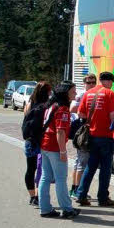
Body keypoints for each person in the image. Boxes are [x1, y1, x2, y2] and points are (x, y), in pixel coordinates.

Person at [75, 71, 114, 207]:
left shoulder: (88, 93)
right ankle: (103, 198)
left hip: (92, 136)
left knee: (90, 166)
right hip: (106, 136)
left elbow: (80, 113)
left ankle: (81, 194)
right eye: (111, 82)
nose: (112, 85)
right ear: (107, 81)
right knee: (106, 169)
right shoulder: (110, 94)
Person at [38, 82, 80, 219]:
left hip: (45, 144)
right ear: (66, 92)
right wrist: (63, 151)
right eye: (73, 91)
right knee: (61, 178)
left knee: (45, 177)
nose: (75, 93)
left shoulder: (51, 105)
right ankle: (67, 209)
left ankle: (44, 208)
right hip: (55, 147)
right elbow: (60, 132)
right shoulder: (62, 109)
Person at [23, 81, 51, 206]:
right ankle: (39, 195)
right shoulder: (46, 106)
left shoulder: (29, 104)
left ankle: (32, 196)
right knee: (42, 169)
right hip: (41, 140)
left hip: (29, 140)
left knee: (30, 169)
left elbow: (26, 120)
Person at [69, 74, 97, 197]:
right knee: (82, 162)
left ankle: (74, 188)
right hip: (83, 132)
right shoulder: (82, 95)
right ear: (84, 83)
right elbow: (73, 108)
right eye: (88, 82)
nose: (91, 84)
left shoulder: (90, 94)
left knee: (78, 161)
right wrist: (85, 111)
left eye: (93, 82)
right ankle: (78, 190)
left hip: (83, 131)